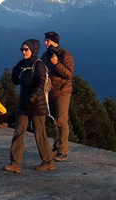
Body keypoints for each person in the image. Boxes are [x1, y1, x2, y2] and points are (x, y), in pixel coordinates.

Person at [3, 39, 55, 173]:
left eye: (26, 49)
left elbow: (40, 84)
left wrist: (31, 99)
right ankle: (15, 163)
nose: (23, 52)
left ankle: (48, 161)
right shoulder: (22, 64)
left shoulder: (39, 65)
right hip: (23, 105)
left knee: (40, 134)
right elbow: (15, 81)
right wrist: (15, 71)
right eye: (22, 49)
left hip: (37, 106)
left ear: (34, 50)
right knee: (18, 132)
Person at [41, 31, 74, 162]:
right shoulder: (45, 55)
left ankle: (63, 151)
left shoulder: (65, 55)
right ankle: (56, 145)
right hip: (50, 91)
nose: (45, 43)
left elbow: (70, 74)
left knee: (61, 120)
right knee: (54, 120)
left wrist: (57, 64)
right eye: (45, 40)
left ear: (54, 41)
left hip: (63, 91)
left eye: (47, 41)